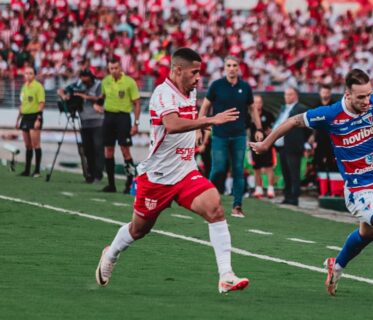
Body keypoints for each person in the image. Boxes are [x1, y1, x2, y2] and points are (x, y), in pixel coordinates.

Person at [250, 69, 373, 296]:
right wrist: (266, 144)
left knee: (368, 234)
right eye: (360, 97)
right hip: (358, 190)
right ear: (347, 94)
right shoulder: (331, 114)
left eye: (368, 94)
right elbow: (294, 121)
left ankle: (337, 265)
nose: (366, 101)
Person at [95, 48, 249, 294]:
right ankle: (111, 253)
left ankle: (226, 275)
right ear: (178, 70)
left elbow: (188, 122)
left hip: (186, 172)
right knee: (139, 229)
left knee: (215, 208)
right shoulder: (162, 93)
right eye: (194, 72)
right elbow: (173, 124)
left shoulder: (191, 90)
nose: (198, 77)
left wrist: (199, 132)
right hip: (158, 177)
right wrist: (209, 121)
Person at [200, 56, 263, 218]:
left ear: (239, 68)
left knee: (238, 170)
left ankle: (237, 206)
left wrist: (259, 128)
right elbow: (205, 106)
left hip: (239, 135)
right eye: (228, 65)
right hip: (219, 135)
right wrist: (199, 127)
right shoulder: (216, 85)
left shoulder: (245, 87)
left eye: (235, 65)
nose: (232, 68)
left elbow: (252, 108)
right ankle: (208, 201)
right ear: (224, 68)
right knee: (218, 169)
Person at [100, 59, 141, 193]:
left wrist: (136, 123)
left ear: (120, 67)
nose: (114, 71)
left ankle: (129, 182)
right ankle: (111, 184)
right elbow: (103, 97)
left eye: (116, 68)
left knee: (125, 150)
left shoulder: (129, 82)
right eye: (111, 68)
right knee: (108, 150)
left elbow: (137, 103)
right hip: (108, 117)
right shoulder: (105, 81)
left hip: (123, 118)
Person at [57, 69, 104, 183]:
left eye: (85, 79)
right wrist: (64, 96)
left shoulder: (98, 85)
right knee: (87, 150)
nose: (83, 81)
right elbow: (61, 90)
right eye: (82, 78)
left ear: (91, 77)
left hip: (97, 121)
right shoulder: (78, 84)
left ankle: (98, 175)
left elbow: (101, 97)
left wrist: (85, 96)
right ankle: (90, 174)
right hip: (84, 121)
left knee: (97, 148)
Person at [272, 87, 309, 206]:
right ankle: (287, 195)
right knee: (285, 172)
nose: (287, 97)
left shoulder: (301, 108)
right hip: (282, 146)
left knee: (294, 173)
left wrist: (302, 141)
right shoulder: (283, 108)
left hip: (293, 146)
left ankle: (294, 197)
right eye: (286, 95)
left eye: (290, 94)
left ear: (296, 96)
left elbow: (308, 128)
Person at [15, 66, 45, 177]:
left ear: (34, 75)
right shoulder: (24, 87)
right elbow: (22, 104)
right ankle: (27, 170)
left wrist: (39, 118)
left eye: (30, 73)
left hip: (34, 116)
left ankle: (37, 170)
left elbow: (41, 103)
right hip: (25, 117)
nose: (28, 75)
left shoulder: (38, 87)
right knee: (27, 145)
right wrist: (18, 119)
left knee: (36, 144)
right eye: (26, 73)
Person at [249, 95, 276, 199]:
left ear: (262, 103)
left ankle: (270, 189)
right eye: (255, 102)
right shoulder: (249, 115)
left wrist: (271, 132)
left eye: (259, 102)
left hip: (267, 145)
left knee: (269, 167)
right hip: (254, 145)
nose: (258, 104)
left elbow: (275, 127)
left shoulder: (268, 115)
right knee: (256, 168)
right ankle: (258, 189)